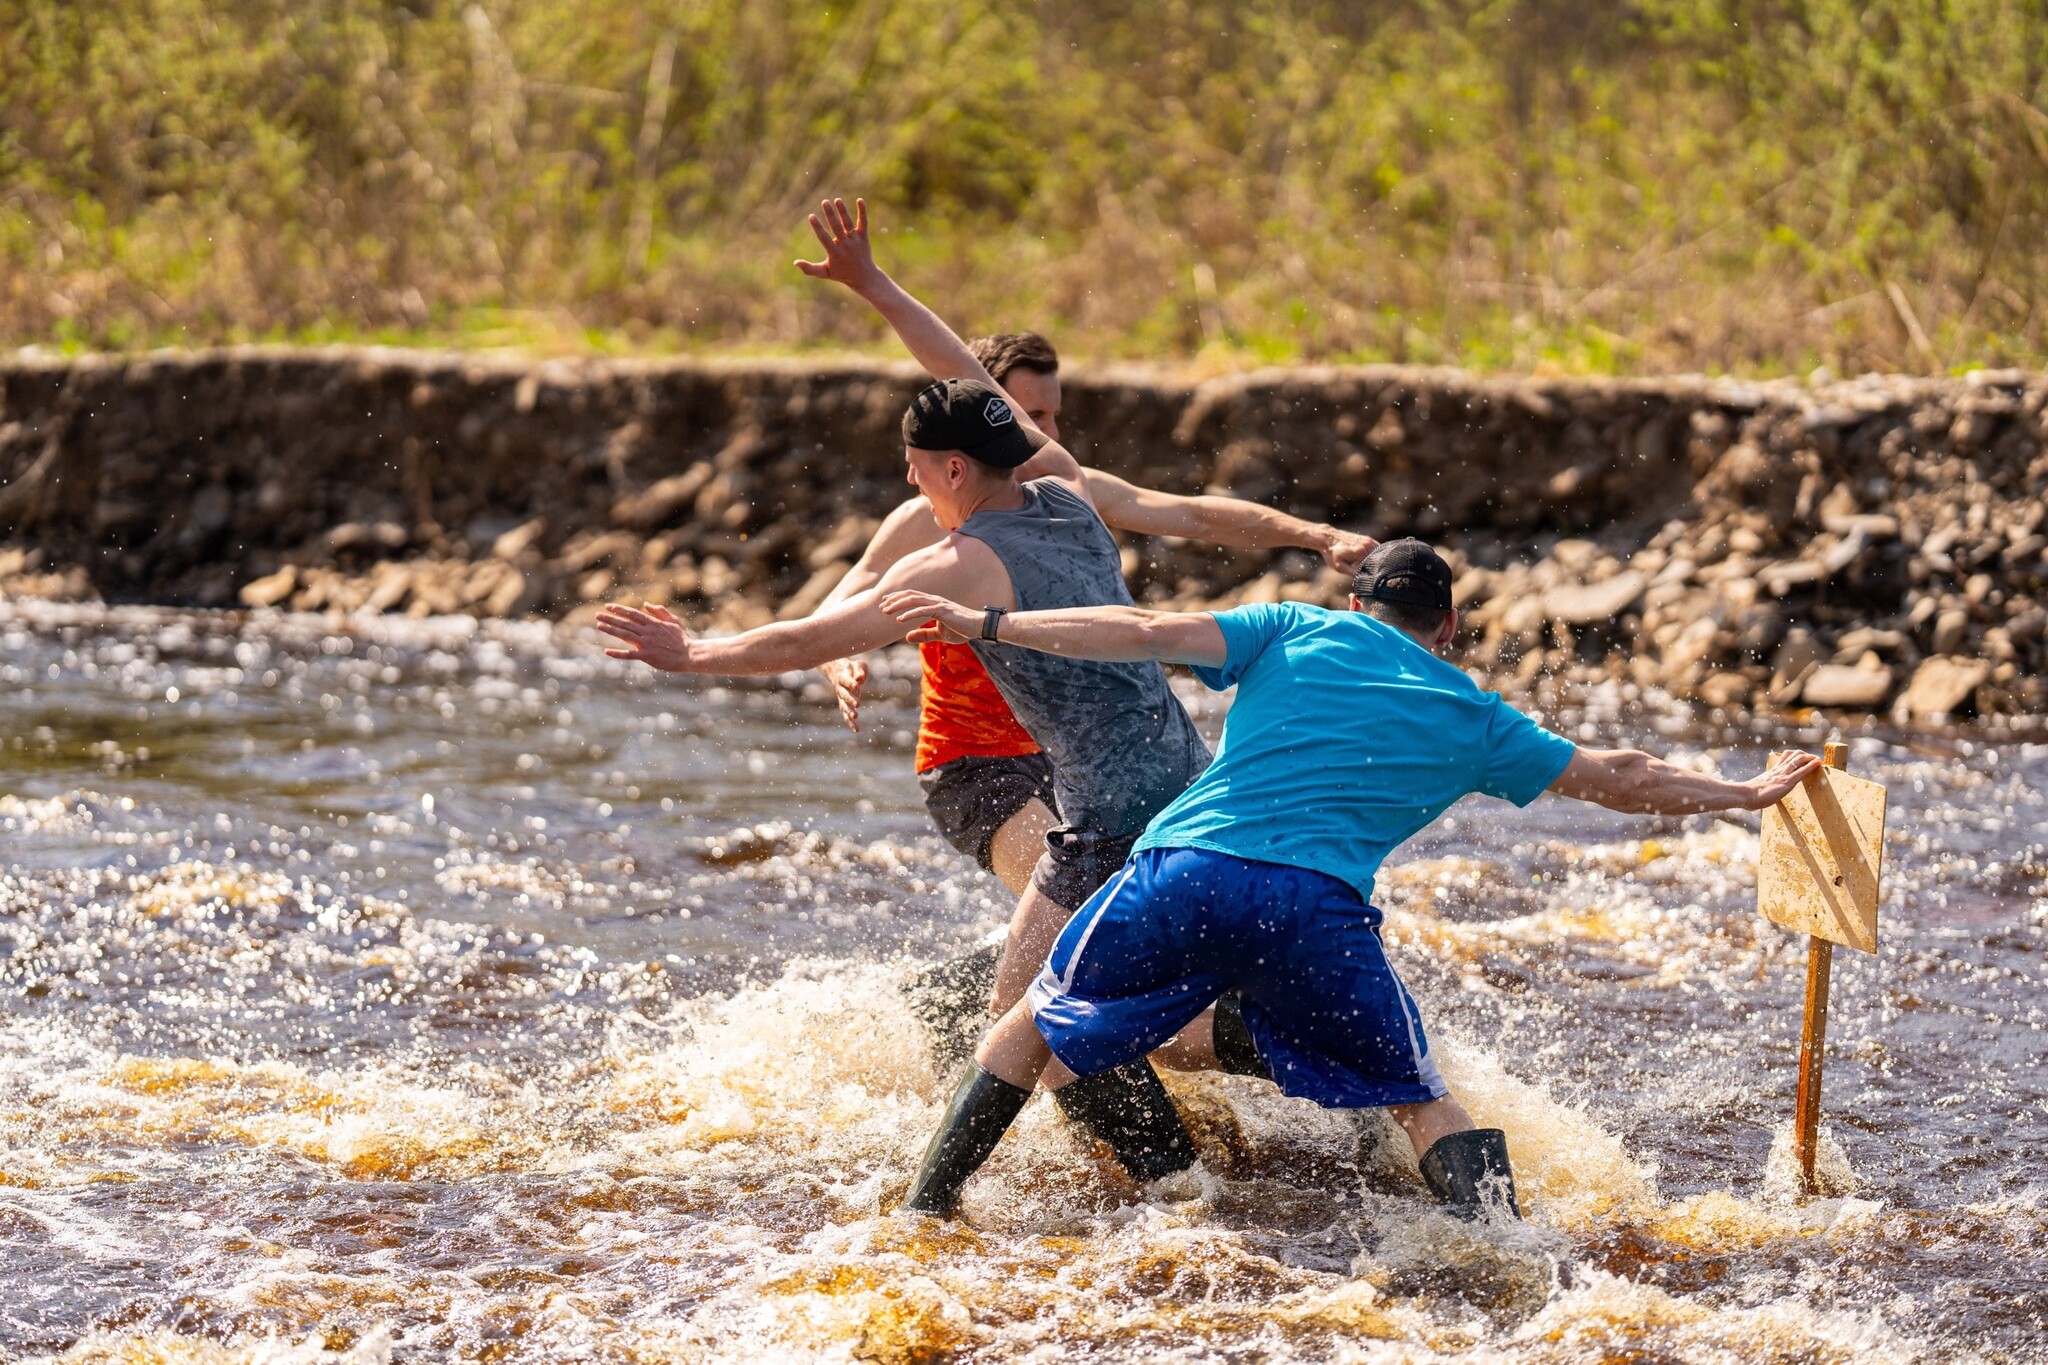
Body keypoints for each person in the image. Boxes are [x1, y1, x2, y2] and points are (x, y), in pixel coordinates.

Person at [596, 197, 1363, 1189]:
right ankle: (1267, 1103)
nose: (906, 480)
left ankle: (959, 1209)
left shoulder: (961, 566)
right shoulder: (1063, 488)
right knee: (1086, 1001)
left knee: (1020, 1028)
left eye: (913, 467)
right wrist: (873, 287)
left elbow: (821, 629)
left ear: (950, 465)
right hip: (1188, 785)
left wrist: (695, 655)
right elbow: (959, 378)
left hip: (1100, 818)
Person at [877, 540, 1824, 1218]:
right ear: (1446, 624)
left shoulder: (1292, 627)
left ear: (1360, 602)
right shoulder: (1478, 714)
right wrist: (1742, 792)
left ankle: (925, 1213)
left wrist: (990, 620)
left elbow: (1140, 627)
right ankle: (1508, 1252)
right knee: (1421, 1095)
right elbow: (1624, 776)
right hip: (1317, 913)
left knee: (1033, 1019)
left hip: (1188, 870)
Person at [815, 330, 1372, 899]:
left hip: (1084, 758)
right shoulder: (921, 523)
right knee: (1087, 905)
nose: (1049, 433)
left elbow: (1194, 515)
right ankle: (1004, 985)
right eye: (1031, 415)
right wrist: (842, 657)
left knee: (1181, 901)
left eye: (1053, 416)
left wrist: (1318, 536)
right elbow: (847, 601)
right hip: (977, 764)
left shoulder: (1066, 496)